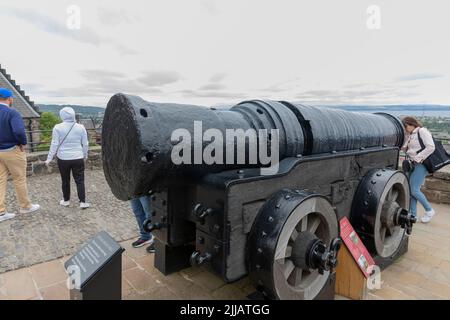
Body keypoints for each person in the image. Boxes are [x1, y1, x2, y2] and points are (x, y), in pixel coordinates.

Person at [0, 88, 40, 222]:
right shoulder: (12, 112)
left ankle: (1, 212)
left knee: (0, 180)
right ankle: (25, 206)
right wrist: (22, 142)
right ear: (9, 98)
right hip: (12, 150)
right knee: (19, 179)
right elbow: (18, 131)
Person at [45, 107, 90, 209]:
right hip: (78, 157)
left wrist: (49, 158)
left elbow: (54, 144)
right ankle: (82, 202)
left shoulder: (57, 127)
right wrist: (85, 155)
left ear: (62, 115)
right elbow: (85, 143)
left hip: (63, 158)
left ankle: (66, 201)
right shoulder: (81, 127)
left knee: (65, 180)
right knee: (80, 180)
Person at [402, 116, 436, 223]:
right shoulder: (412, 134)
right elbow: (407, 148)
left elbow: (431, 147)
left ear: (411, 124)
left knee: (414, 189)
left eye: (405, 126)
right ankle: (413, 215)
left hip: (420, 164)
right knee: (412, 190)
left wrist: (417, 159)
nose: (405, 128)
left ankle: (429, 210)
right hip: (412, 164)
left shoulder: (422, 131)